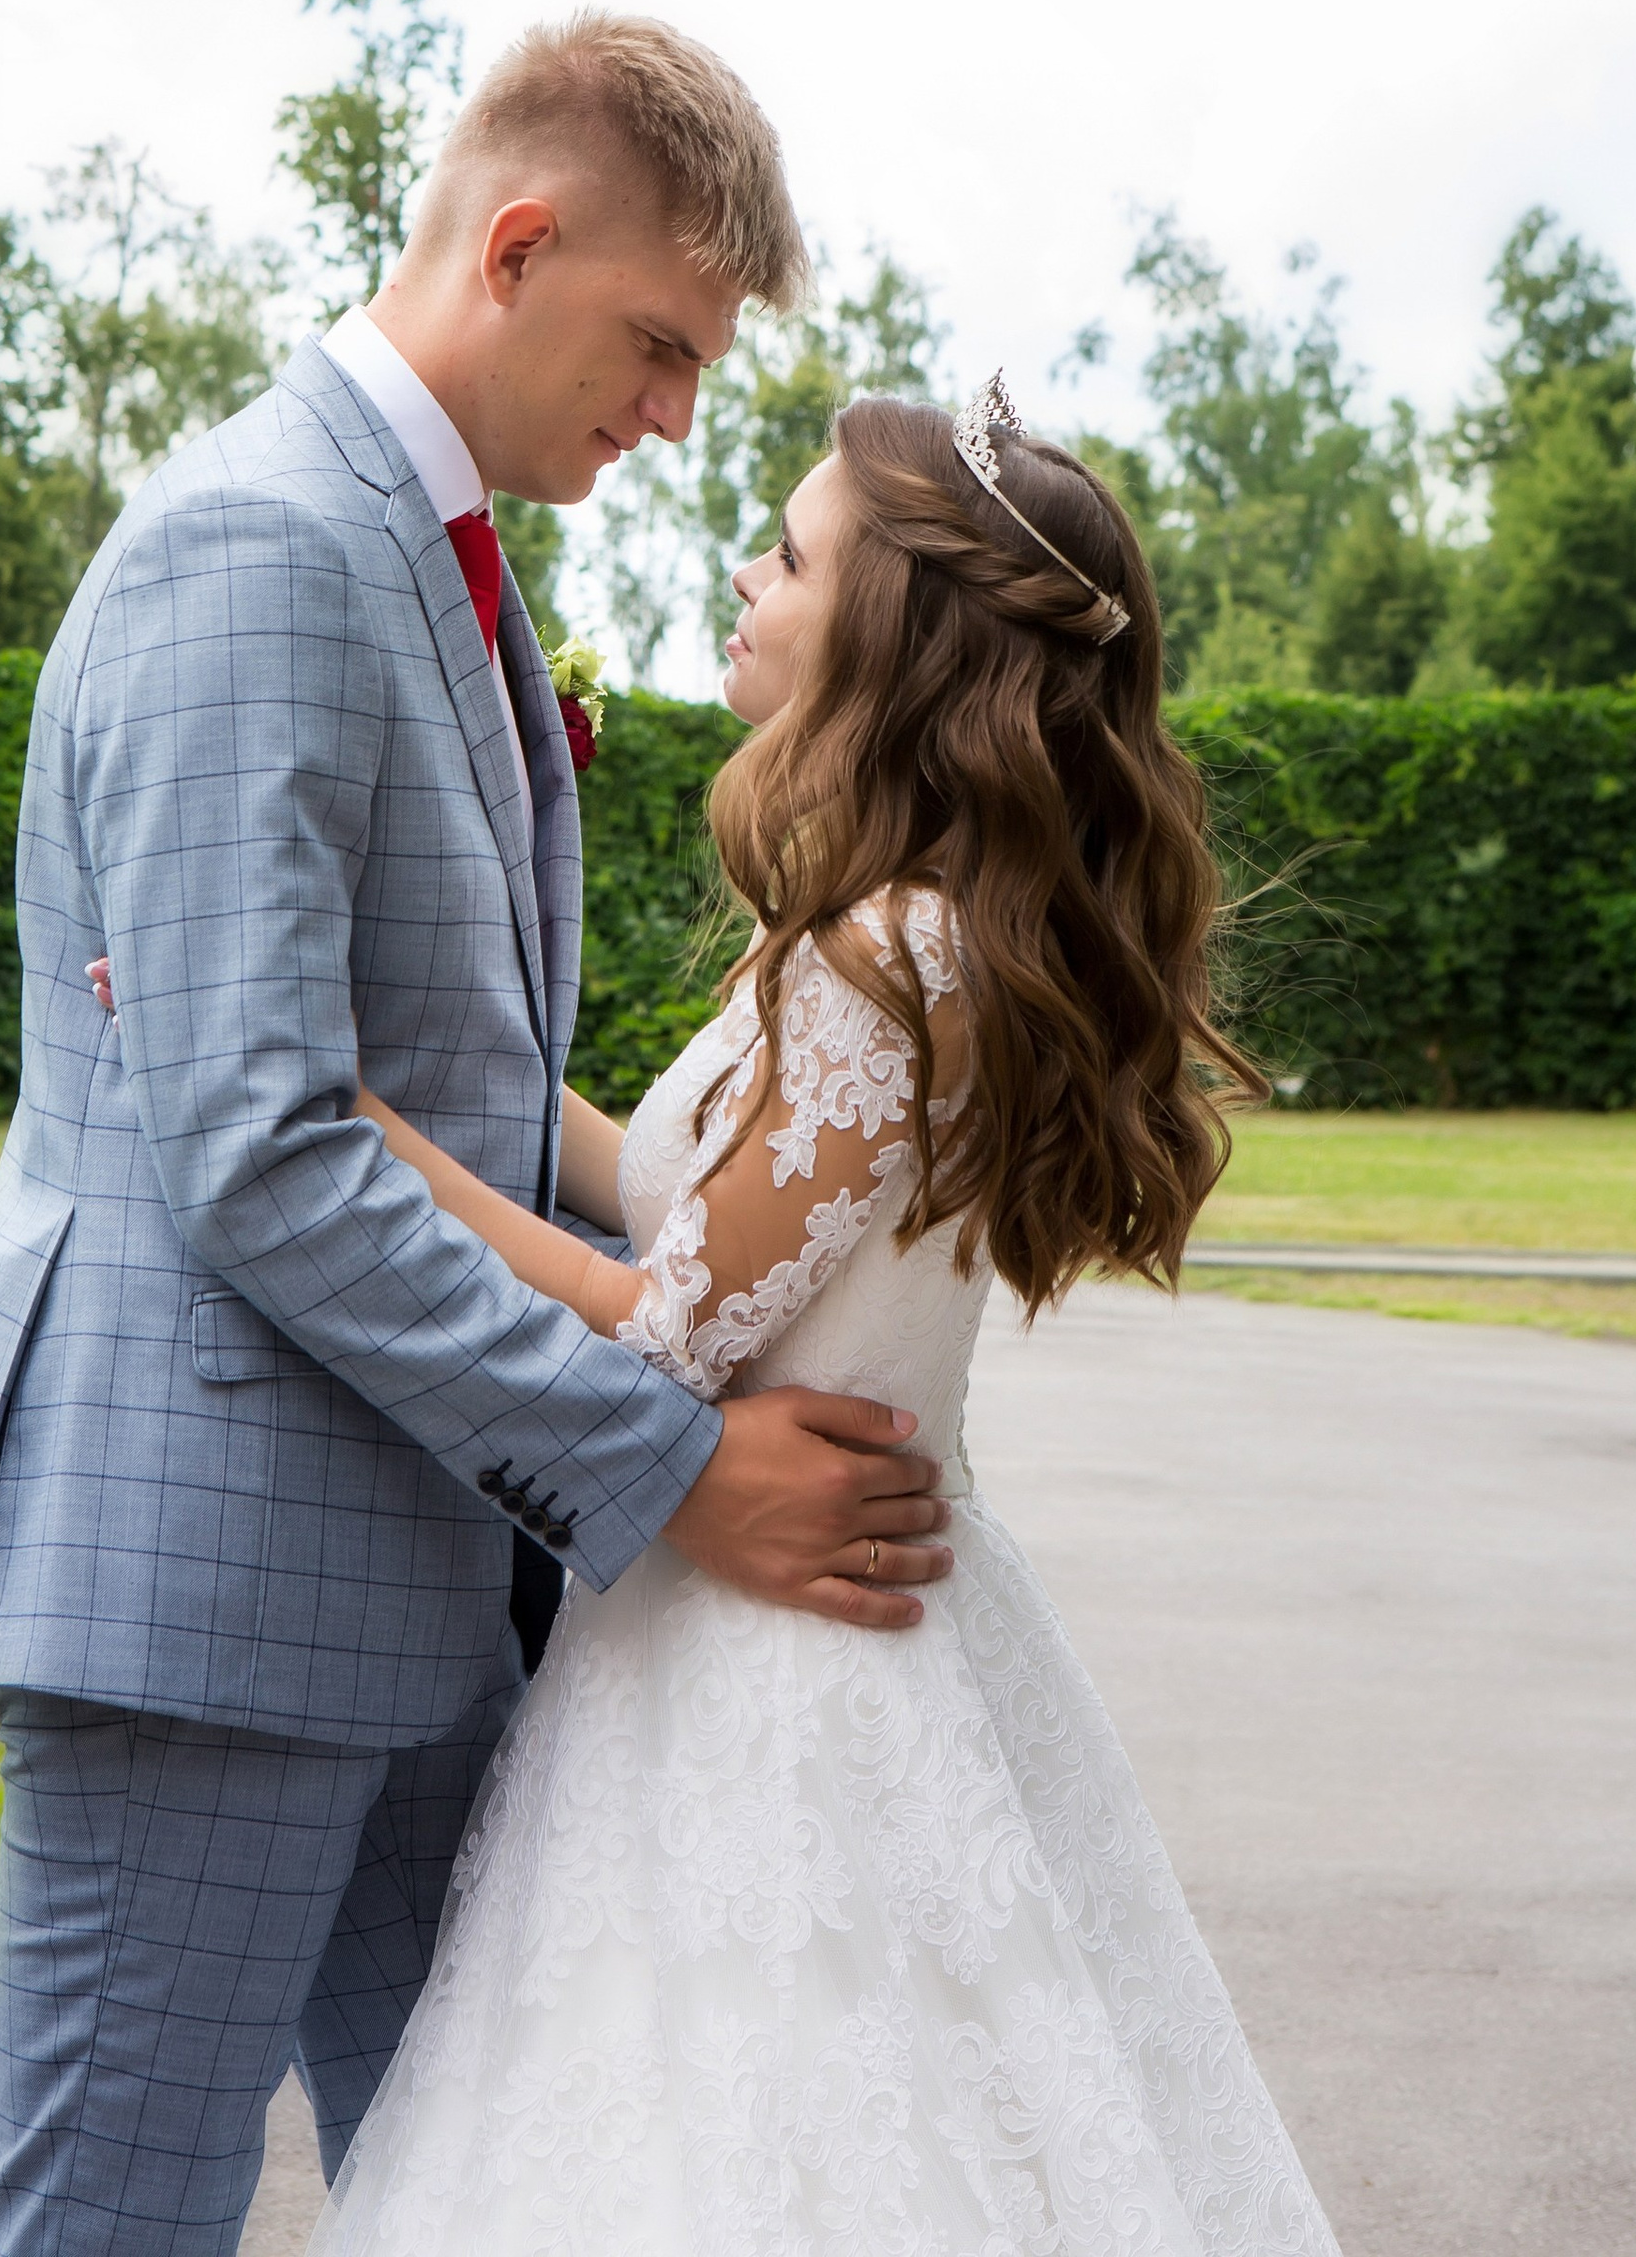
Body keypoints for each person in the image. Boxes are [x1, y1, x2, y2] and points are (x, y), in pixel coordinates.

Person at [0, 12, 955, 2257]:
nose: (674, 415)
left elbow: (455, 1083)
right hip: (203, 1584)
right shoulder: (260, 553)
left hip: (426, 1570)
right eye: (657, 342)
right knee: (117, 2224)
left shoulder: (426, 560)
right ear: (517, 240)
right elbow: (261, 1148)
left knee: (492, 2200)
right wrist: (668, 1470)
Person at [306, 379, 1346, 2255]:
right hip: (889, 1608)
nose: (745, 572)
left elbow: (664, 1334)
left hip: (771, 1666)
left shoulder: (879, 959)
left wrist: (366, 1131)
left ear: (893, 640)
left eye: (786, 557)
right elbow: (710, 1221)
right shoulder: (942, 929)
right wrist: (485, 1094)